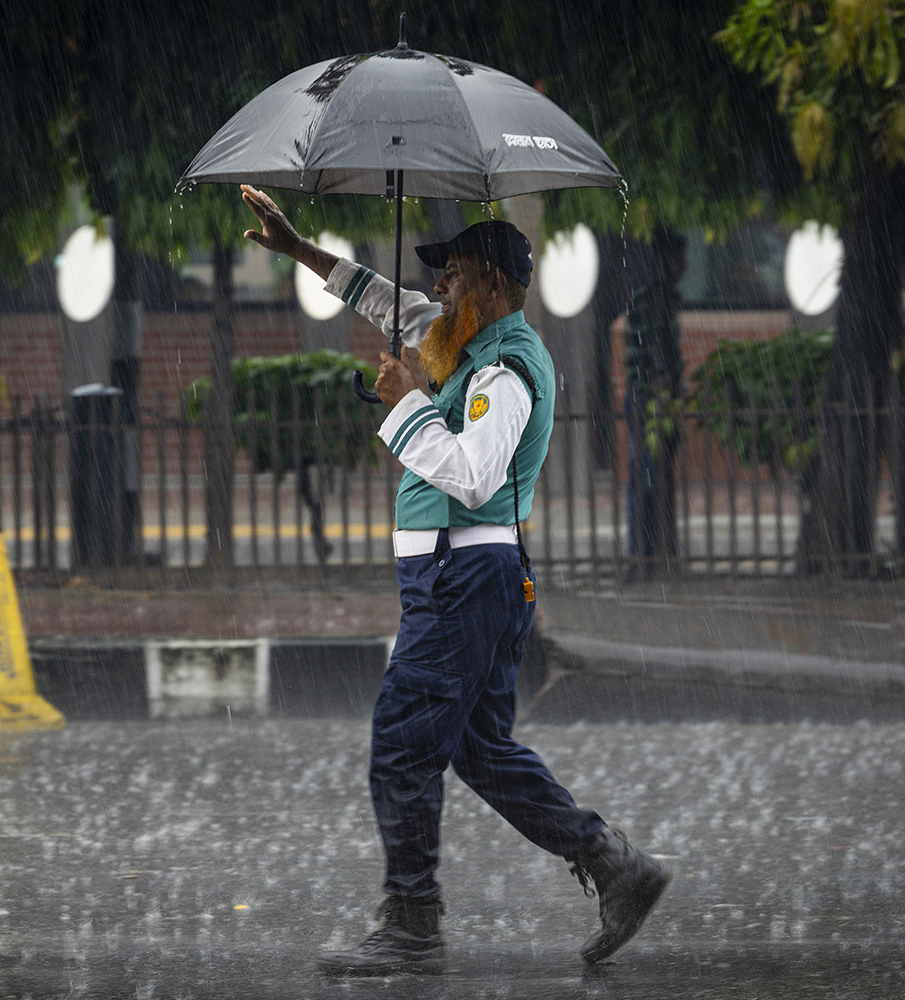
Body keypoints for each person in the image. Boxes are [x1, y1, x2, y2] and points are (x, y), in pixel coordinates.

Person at [240, 185, 670, 976]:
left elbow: (473, 476)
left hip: (463, 574)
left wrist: (406, 408)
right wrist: (298, 249)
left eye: (455, 274)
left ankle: (411, 924)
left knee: (402, 748)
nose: (437, 286)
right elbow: (384, 301)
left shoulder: (501, 367)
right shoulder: (458, 339)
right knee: (478, 749)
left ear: (494, 286)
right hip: (464, 577)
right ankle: (615, 865)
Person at [624, 227, 686, 576]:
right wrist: (664, 391)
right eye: (680, 258)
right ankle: (641, 555)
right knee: (644, 477)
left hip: (651, 398)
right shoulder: (655, 301)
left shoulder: (659, 298)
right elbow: (657, 358)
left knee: (650, 477)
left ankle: (650, 553)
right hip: (648, 399)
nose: (685, 265)